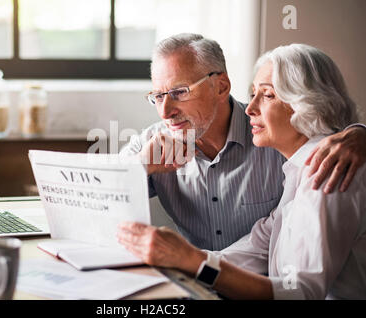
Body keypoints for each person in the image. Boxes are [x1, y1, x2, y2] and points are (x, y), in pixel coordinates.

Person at [118, 43, 366, 299]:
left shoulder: (330, 169)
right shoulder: (295, 171)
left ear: (309, 103)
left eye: (267, 95)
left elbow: (300, 292)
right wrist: (180, 259)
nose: (250, 108)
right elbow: (258, 246)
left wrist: (191, 260)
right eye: (158, 96)